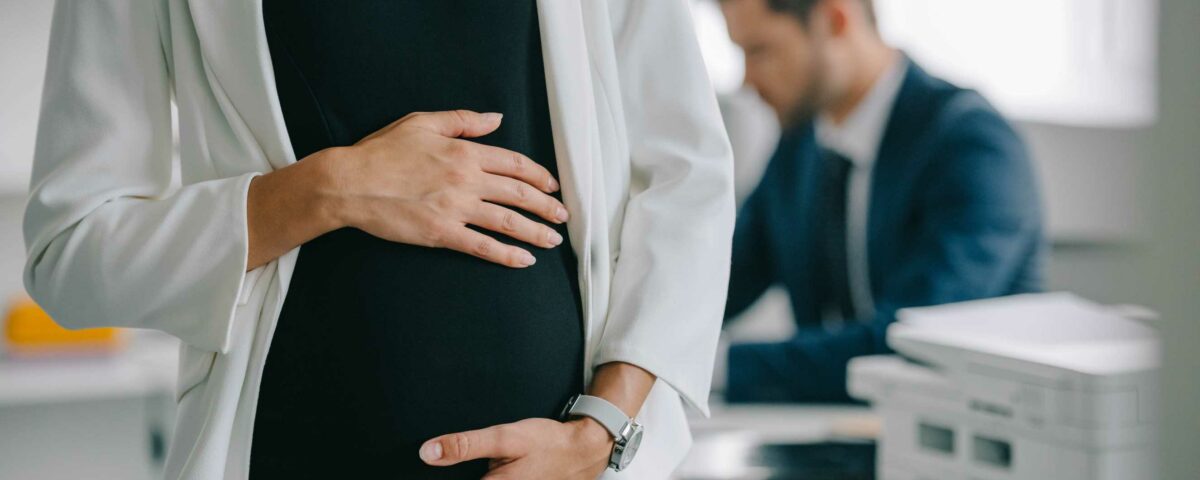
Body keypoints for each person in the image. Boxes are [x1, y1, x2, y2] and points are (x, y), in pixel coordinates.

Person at [22, 1, 735, 478]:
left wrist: (602, 432)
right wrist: (329, 188)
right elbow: (73, 251)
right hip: (293, 450)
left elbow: (686, 178)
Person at [719, 0, 1044, 403]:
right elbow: (723, 281)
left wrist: (714, 367)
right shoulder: (800, 149)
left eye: (760, 51)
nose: (748, 82)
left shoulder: (972, 145)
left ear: (834, 19)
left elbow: (911, 342)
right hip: (832, 434)